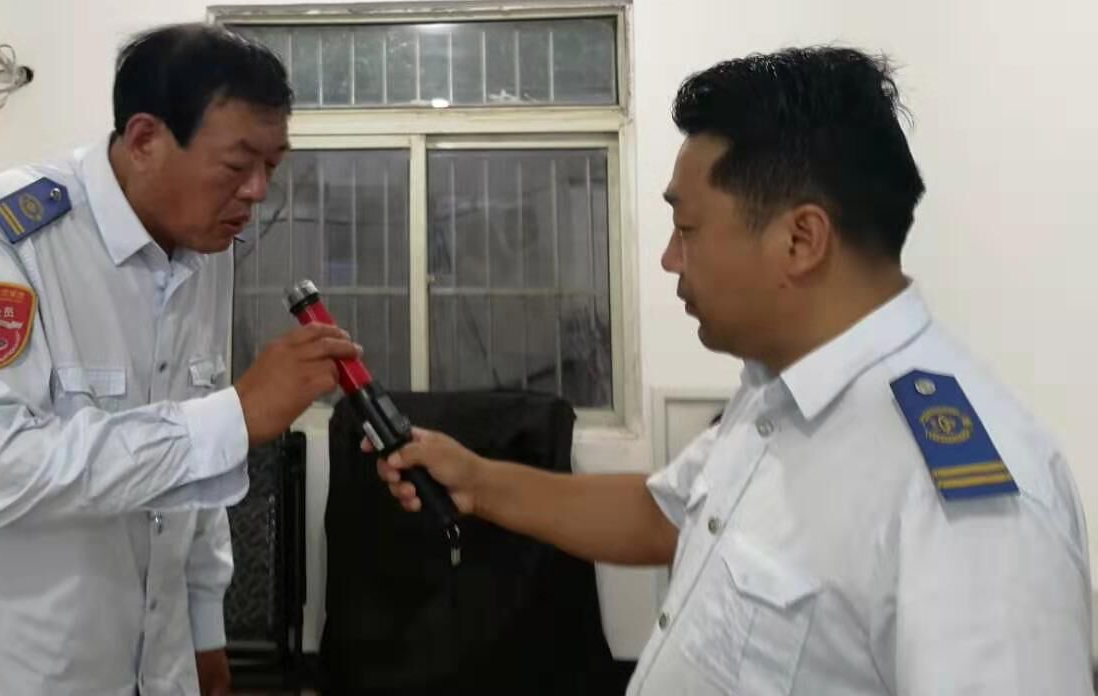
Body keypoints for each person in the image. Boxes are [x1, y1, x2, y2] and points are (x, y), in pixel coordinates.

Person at [372, 47, 1093, 694]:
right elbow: (666, 516)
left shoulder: (969, 506)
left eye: (687, 229)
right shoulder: (776, 389)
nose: (669, 260)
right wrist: (479, 481)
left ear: (801, 239)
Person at [0, 24, 360, 696]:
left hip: (143, 660)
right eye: (238, 166)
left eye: (273, 165)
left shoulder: (204, 248)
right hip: (2, 667)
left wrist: (203, 626)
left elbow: (191, 465)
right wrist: (231, 418)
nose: (259, 191)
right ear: (145, 139)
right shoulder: (10, 235)